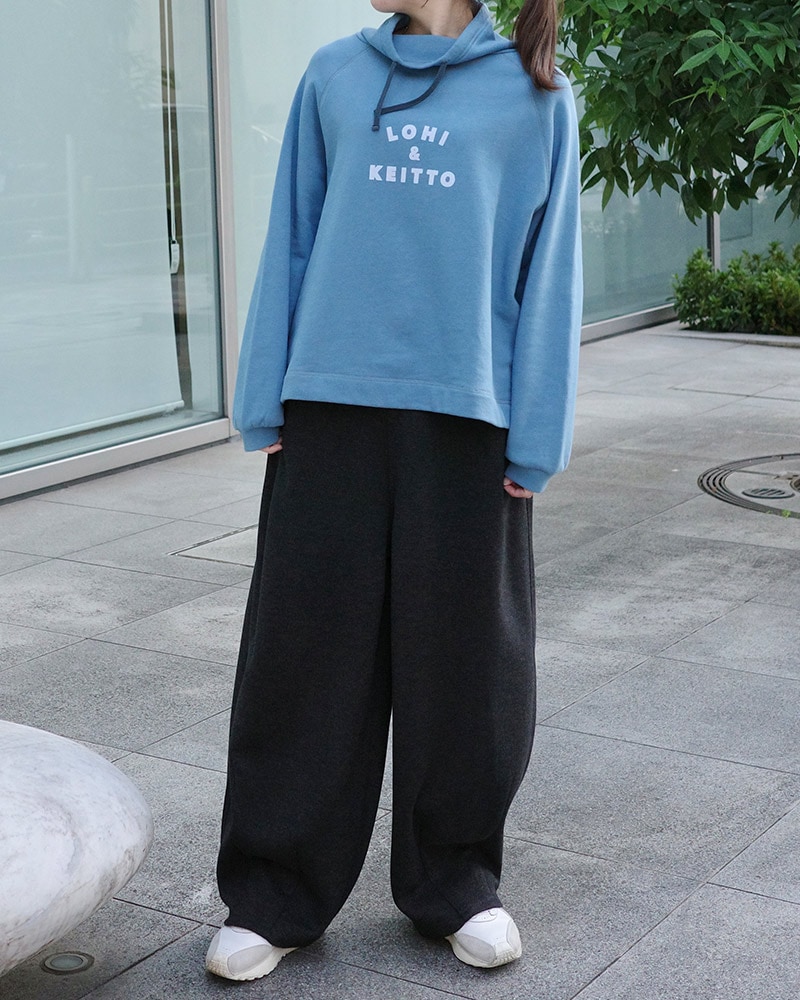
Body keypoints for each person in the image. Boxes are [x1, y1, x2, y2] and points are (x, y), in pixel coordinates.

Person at [206, 0, 582, 982]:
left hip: (468, 417)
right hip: (329, 407)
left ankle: (456, 883)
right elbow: (291, 238)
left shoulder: (537, 94)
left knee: (467, 665)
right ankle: (275, 894)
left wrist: (537, 435)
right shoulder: (333, 74)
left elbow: (550, 273)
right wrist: (263, 394)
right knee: (302, 656)